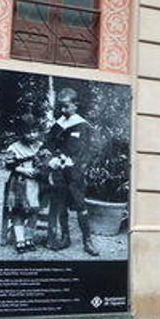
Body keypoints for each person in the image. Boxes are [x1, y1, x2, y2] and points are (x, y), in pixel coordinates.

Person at [45, 87, 99, 256]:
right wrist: (54, 157)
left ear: (76, 105)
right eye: (61, 106)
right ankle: (65, 238)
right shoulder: (59, 123)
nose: (63, 110)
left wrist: (79, 164)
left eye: (66, 106)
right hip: (59, 171)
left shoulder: (83, 125)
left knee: (80, 205)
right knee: (61, 205)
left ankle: (87, 241)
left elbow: (92, 149)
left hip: (75, 172)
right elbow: (48, 143)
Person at [2, 114, 44, 254]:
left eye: (34, 131)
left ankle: (28, 238)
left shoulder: (40, 146)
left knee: (34, 210)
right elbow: (9, 165)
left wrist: (39, 170)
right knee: (18, 211)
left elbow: (45, 162)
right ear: (21, 133)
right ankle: (19, 239)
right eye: (28, 132)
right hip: (19, 182)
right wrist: (23, 170)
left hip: (36, 183)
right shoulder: (14, 147)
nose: (32, 135)